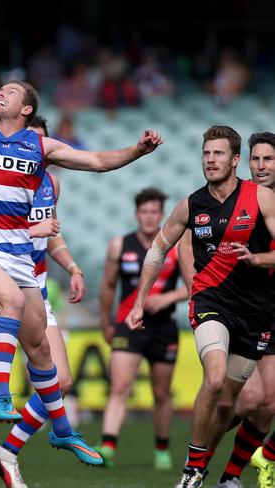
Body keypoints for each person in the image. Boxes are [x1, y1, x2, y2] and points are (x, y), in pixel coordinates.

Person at [0, 22, 161, 465]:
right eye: (0, 89)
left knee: (42, 354)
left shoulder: (40, 146)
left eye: (10, 92)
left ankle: (60, 431)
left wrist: (135, 152)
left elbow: (95, 160)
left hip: (19, 255)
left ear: (27, 107)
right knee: (11, 305)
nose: (0, 93)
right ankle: (1, 398)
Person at [124, 126, 275, 488]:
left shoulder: (261, 199)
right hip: (211, 303)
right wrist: (139, 303)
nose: (210, 160)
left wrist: (257, 261)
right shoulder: (192, 205)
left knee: (229, 402)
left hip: (255, 313)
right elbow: (158, 250)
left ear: (235, 160)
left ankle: (220, 469)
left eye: (219, 154)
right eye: (206, 153)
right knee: (215, 376)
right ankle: (192, 470)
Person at [0, 115, 88, 488]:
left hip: (36, 290)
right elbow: (0, 229)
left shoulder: (51, 183)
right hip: (0, 289)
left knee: (62, 379)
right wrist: (33, 228)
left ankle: (8, 451)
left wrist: (71, 265)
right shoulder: (0, 180)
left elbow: (50, 234)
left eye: (36, 143)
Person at [95, 188, 188, 470]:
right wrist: (105, 323)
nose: (149, 218)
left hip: (164, 328)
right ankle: (108, 446)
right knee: (120, 387)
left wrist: (168, 298)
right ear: (137, 214)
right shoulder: (119, 246)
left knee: (161, 393)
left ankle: (161, 449)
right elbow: (108, 286)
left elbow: (194, 285)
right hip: (128, 325)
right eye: (144, 212)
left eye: (154, 212)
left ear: (162, 215)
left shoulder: (178, 244)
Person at [203, 132, 275, 487]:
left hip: (268, 309)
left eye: (269, 160)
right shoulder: (233, 197)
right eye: (256, 159)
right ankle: (198, 457)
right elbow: (190, 241)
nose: (261, 167)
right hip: (238, 307)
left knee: (268, 404)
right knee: (248, 400)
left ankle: (230, 477)